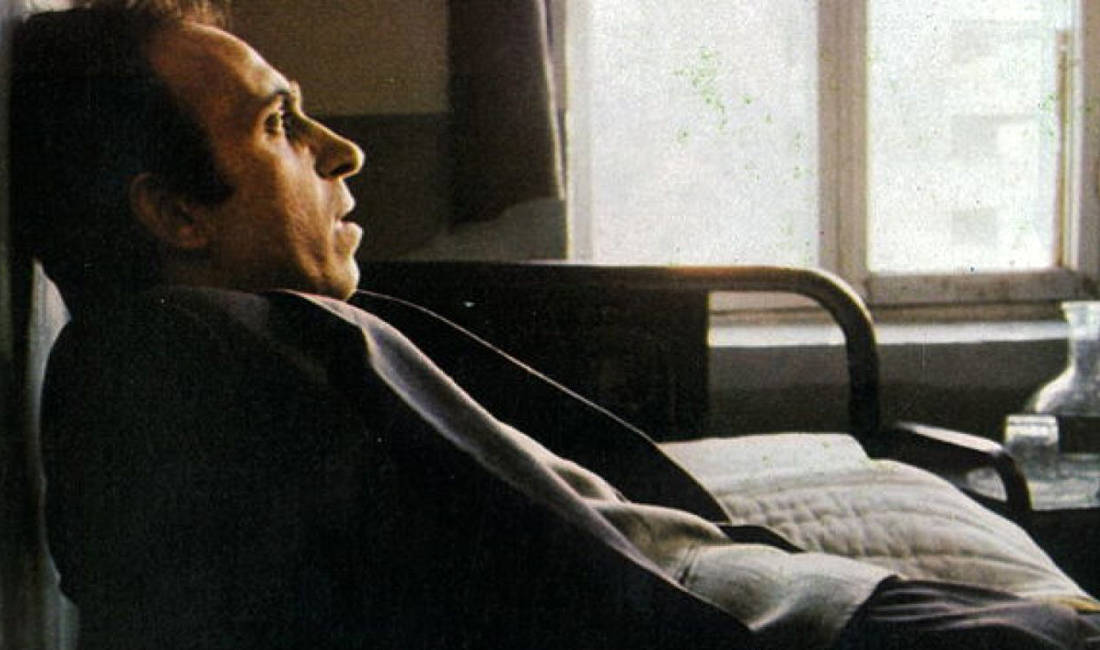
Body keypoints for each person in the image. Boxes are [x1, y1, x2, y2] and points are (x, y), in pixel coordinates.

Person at [11, 3, 1100, 648]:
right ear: (175, 212)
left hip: (774, 589)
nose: (343, 150)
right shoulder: (175, 358)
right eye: (279, 124)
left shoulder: (257, 337)